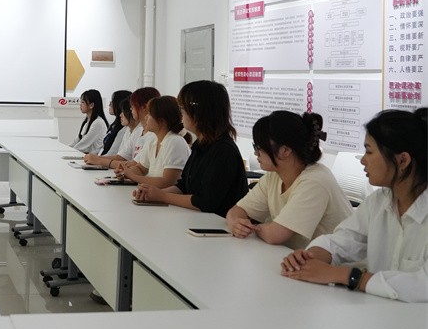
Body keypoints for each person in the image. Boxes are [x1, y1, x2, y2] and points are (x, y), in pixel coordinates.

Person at [281, 109, 428, 302]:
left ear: (403, 160)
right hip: (378, 312)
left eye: (369, 151)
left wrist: (347, 276)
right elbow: (342, 240)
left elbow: (422, 285)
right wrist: (308, 258)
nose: (363, 160)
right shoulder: (378, 202)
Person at [225, 110, 352, 249]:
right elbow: (236, 211)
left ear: (285, 150)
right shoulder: (275, 176)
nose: (256, 153)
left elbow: (275, 235)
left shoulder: (315, 181)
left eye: (259, 147)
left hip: (335, 261)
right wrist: (235, 223)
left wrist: (252, 228)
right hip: (296, 255)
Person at [133, 80, 248, 216]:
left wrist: (162, 196)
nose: (181, 112)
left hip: (216, 223)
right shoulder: (201, 144)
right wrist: (152, 193)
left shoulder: (224, 150)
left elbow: (205, 201)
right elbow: (184, 186)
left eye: (183, 108)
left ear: (199, 112)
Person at [115, 96, 191, 188]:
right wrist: (125, 173)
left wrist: (133, 176)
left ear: (161, 121)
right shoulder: (153, 140)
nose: (146, 117)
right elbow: (141, 168)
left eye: (149, 114)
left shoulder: (175, 142)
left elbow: (168, 182)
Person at [85, 87, 160, 169]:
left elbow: (135, 164)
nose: (131, 108)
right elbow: (121, 156)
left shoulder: (153, 135)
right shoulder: (138, 131)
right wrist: (96, 159)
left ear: (144, 107)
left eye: (133, 105)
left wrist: (99, 160)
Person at [69, 89, 109, 154]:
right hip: (86, 155)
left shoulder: (98, 123)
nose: (80, 104)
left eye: (82, 102)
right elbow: (76, 141)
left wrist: (68, 152)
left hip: (93, 157)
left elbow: (83, 144)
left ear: (91, 105)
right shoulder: (87, 121)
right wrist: (65, 149)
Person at [100, 90, 131, 155]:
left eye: (112, 102)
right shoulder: (114, 125)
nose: (109, 105)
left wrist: (96, 158)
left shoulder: (124, 130)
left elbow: (113, 153)